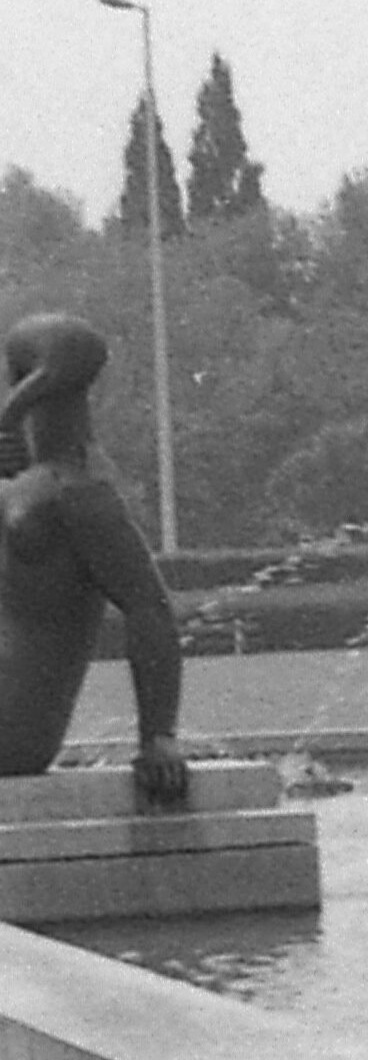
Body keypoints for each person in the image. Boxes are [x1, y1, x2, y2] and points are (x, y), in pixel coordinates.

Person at [0, 314, 189, 806]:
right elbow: (150, 609)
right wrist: (158, 736)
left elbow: (148, 611)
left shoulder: (65, 495)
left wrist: (158, 737)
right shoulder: (67, 491)